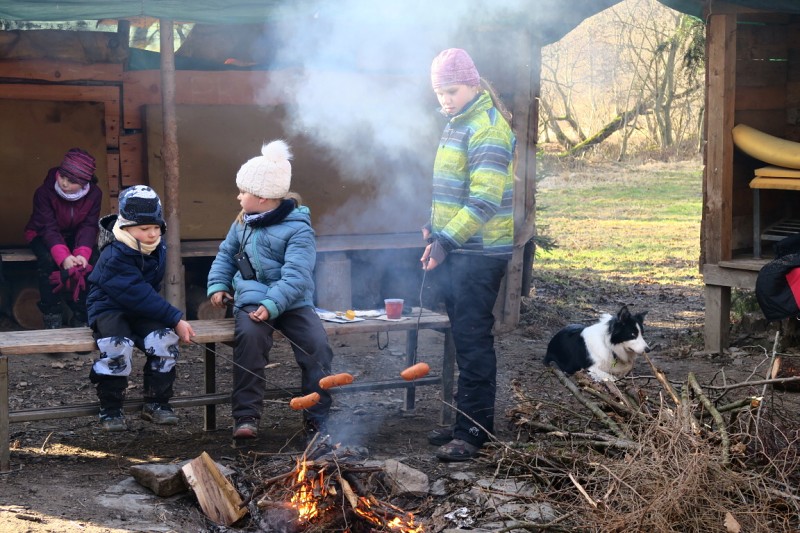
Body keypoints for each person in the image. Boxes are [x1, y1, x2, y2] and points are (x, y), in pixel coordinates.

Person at [421, 48, 516, 461]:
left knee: (474, 340)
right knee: (462, 338)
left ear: (473, 85)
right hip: (460, 248)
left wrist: (445, 242)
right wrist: (434, 227)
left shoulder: (487, 129)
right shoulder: (458, 123)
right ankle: (465, 419)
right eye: (439, 93)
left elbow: (483, 201)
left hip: (480, 254)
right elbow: (452, 189)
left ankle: (474, 432)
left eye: (452, 91)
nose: (445, 100)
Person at [207, 140, 334, 443]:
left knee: (317, 346)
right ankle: (246, 416)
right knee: (250, 339)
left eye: (243, 191)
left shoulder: (299, 229)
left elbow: (297, 275)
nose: (238, 197)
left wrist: (273, 303)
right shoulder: (242, 223)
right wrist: (218, 284)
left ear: (263, 197)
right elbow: (226, 255)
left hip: (292, 300)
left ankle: (317, 418)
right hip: (251, 298)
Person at [86, 185, 195, 432]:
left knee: (164, 339)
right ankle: (111, 408)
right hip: (109, 307)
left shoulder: (156, 247)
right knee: (117, 345)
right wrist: (175, 318)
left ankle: (157, 402)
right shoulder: (114, 254)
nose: (152, 234)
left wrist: (167, 323)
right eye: (144, 229)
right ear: (126, 227)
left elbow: (145, 295)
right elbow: (135, 291)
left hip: (141, 309)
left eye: (156, 227)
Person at [24, 148, 102, 328]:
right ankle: (52, 314)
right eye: (62, 176)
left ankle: (81, 314)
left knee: (90, 261)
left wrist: (81, 253)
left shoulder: (94, 194)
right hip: (42, 233)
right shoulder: (44, 192)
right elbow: (48, 228)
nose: (65, 183)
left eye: (72, 181)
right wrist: (64, 257)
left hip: (75, 235)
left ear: (84, 182)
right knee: (48, 260)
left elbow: (89, 225)